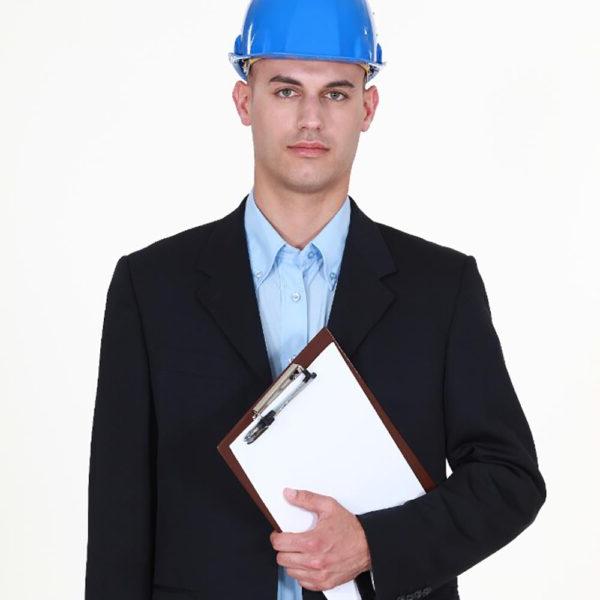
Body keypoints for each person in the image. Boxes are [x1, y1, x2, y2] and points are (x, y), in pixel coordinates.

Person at [84, 1, 546, 599]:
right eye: (284, 91)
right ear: (244, 101)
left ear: (367, 108)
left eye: (334, 94)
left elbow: (509, 480)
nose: (310, 120)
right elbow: (119, 519)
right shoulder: (151, 289)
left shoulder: (441, 288)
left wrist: (377, 544)